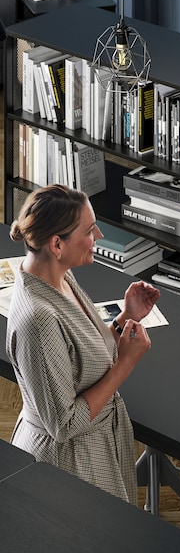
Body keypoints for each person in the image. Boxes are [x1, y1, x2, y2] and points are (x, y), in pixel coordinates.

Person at [6, 184, 160, 504]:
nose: (99, 237)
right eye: (90, 231)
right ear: (57, 244)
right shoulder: (39, 320)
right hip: (67, 467)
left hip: (91, 450)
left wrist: (124, 320)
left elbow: (76, 353)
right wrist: (126, 363)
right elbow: (64, 424)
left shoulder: (58, 277)